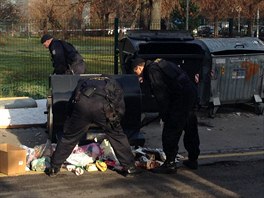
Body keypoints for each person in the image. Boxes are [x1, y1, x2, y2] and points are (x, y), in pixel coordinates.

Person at [46, 76, 140, 177]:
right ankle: (129, 168)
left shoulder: (84, 81)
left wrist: (70, 120)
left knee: (69, 138)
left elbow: (73, 99)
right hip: (104, 109)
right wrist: (116, 121)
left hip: (82, 107)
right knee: (117, 137)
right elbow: (119, 104)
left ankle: (54, 167)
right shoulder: (114, 83)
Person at [132, 58, 200, 174]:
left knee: (171, 130)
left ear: (139, 67)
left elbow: (160, 93)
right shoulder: (160, 63)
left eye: (135, 72)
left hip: (180, 98)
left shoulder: (152, 70)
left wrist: (165, 113)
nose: (137, 76)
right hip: (190, 93)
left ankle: (170, 163)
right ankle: (193, 159)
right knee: (190, 127)